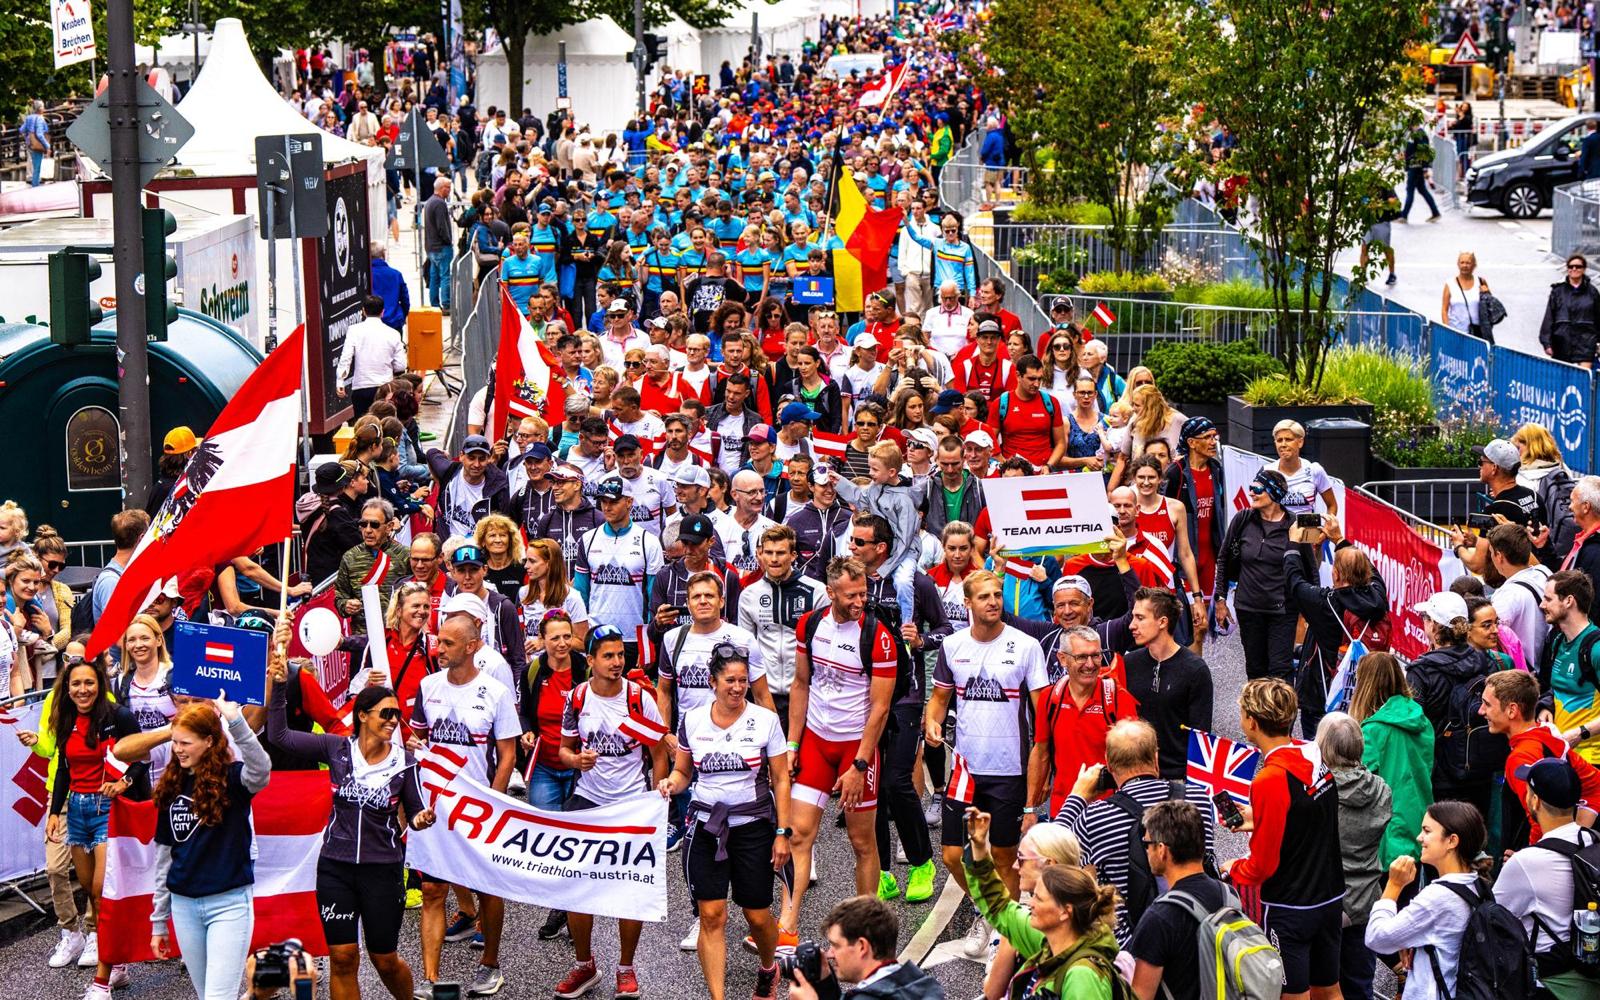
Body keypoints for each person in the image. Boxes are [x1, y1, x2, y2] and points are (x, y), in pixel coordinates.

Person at [266, 660, 432, 1000]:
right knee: (342, 957)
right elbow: (278, 736)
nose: (393, 721)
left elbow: (415, 812)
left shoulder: (405, 762)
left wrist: (421, 820)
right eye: (386, 713)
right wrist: (280, 686)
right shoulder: (336, 748)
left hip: (382, 870)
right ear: (363, 715)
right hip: (335, 868)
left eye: (397, 715)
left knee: (384, 959)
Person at [657, 645, 790, 1000]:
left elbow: (781, 779)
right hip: (706, 827)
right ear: (713, 682)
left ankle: (768, 967)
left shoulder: (765, 720)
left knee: (757, 915)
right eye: (730, 680)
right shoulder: (693, 720)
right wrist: (671, 783)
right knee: (712, 915)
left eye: (743, 680)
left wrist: (782, 833)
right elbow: (683, 772)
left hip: (753, 826)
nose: (738, 687)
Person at [923, 570, 1049, 947]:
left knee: (1003, 855)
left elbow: (1043, 715)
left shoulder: (1026, 646)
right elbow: (939, 699)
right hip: (965, 769)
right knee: (951, 855)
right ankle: (988, 913)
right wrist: (932, 722)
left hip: (1010, 768)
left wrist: (1041, 772)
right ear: (967, 603)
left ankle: (1003, 937)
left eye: (997, 594)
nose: (993, 602)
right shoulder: (953, 646)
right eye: (984, 596)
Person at [783, 558, 899, 950]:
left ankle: (869, 932)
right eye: (851, 595)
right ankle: (787, 925)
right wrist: (793, 744)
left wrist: (860, 765)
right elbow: (801, 684)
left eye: (863, 593)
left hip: (855, 746)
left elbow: (880, 709)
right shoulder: (810, 624)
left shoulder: (877, 635)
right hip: (816, 741)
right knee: (799, 835)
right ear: (830, 592)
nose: (859, 601)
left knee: (862, 842)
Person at [553, 626, 669, 1000]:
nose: (617, 662)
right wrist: (576, 760)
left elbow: (658, 752)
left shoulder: (639, 698)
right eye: (608, 656)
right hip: (588, 800)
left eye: (620, 654)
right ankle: (584, 964)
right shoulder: (578, 698)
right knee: (576, 886)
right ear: (590, 660)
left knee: (629, 888)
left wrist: (658, 799)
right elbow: (563, 750)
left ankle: (626, 967)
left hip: (631, 802)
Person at [409, 614, 520, 998]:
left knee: (488, 888)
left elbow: (508, 755)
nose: (439, 649)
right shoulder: (428, 687)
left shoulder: (496, 692)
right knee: (432, 891)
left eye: (448, 643)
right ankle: (430, 977)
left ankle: (490, 964)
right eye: (439, 641)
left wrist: (493, 803)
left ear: (471, 646)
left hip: (479, 811)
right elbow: (416, 743)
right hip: (435, 810)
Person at [1221, 679, 1344, 1000]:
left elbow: (1262, 866)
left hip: (1290, 906)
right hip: (1330, 895)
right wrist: (1257, 817)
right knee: (1329, 991)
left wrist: (1233, 868)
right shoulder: (1312, 756)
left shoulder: (1269, 779)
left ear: (1251, 721)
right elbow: (1307, 816)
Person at [149, 698, 272, 1000]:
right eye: (175, 742)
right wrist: (159, 921)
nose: (178, 750)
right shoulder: (170, 785)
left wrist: (237, 722)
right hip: (184, 907)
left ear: (209, 741)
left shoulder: (233, 778)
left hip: (229, 904)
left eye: (185, 743)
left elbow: (261, 770)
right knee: (207, 995)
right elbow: (164, 858)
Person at [1053, 718, 1216, 943]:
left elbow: (1047, 854)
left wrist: (1077, 796)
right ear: (1155, 758)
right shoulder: (1198, 800)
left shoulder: (1095, 817)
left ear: (1109, 764)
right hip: (1199, 937)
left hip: (1131, 947)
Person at [44, 654, 143, 997]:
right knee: (92, 893)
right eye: (76, 684)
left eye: (89, 682)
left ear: (100, 685)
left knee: (103, 892)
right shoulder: (66, 716)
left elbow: (141, 760)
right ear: (67, 688)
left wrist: (124, 783)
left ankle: (103, 979)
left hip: (108, 810)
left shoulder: (118, 716)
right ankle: (118, 964)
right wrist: (54, 812)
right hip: (77, 811)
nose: (82, 690)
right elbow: (63, 769)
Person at [963, 808, 1123, 1000]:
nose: (1029, 904)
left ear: (1065, 911)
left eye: (1038, 898)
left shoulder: (1083, 977)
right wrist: (978, 849)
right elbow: (1000, 907)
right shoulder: (1051, 936)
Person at [1494, 756, 1600, 997]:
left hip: (1550, 984)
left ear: (1535, 801)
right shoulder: (1592, 840)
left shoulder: (1526, 862)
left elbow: (1492, 918)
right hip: (1590, 979)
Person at [1363, 801, 1489, 1000]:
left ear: (1452, 841)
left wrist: (1393, 886)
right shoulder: (1476, 883)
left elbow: (1376, 938)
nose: (1419, 837)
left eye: (1427, 831)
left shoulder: (1437, 897)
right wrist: (1412, 939)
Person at [1028, 626, 1141, 819]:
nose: (1090, 664)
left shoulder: (1118, 698)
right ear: (1062, 659)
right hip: (1063, 811)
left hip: (1108, 813)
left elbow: (1135, 760)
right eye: (1081, 657)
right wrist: (1029, 810)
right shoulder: (1050, 698)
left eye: (1095, 656)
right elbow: (1040, 753)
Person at [1480, 669, 1600, 851]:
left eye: (1487, 704)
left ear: (1512, 710)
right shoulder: (1544, 731)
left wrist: (1531, 855)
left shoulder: (1521, 756)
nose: (1481, 711)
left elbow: (1539, 816)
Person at [1408, 590, 1505, 813]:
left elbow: (1414, 724)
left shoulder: (1421, 671)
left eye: (1425, 618)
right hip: (1480, 766)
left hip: (1439, 773)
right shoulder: (1486, 662)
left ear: (1434, 626)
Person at [1316, 713, 1390, 1000]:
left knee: (1321, 985)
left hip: (1326, 900)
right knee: (1359, 984)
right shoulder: (1381, 789)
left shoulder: (1318, 792)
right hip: (1365, 899)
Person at [1126, 801, 1232, 1000]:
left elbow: (1140, 995)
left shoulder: (1159, 917)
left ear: (1162, 850)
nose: (1146, 851)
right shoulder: (1229, 895)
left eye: (1147, 844)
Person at [1349, 652, 1435, 871]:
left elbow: (1357, 786)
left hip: (1387, 832)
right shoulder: (1421, 721)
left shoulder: (1372, 731)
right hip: (1419, 822)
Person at [573, 479, 665, 672]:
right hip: (597, 632)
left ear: (629, 502)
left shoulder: (648, 542)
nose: (607, 507)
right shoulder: (588, 539)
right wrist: (582, 635)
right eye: (603, 501)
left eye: (613, 501)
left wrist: (648, 642)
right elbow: (580, 593)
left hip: (633, 636)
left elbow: (654, 597)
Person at [1121, 588, 1212, 780]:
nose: (1131, 625)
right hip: (1134, 775)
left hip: (1177, 779)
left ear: (1162, 622)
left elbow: (1200, 736)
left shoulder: (1195, 670)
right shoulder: (1129, 663)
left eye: (1140, 618)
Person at [1214, 468, 1293, 680]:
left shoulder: (1293, 525)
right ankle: (1257, 703)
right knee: (1256, 670)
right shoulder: (1243, 519)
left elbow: (1308, 568)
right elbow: (1223, 558)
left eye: (1257, 489)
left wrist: (1311, 610)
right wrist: (1220, 600)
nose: (1251, 493)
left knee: (1280, 670)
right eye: (1251, 488)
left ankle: (1282, 703)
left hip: (1282, 611)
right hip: (1248, 608)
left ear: (1274, 493)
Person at [785, 896, 945, 1000]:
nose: (829, 954)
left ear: (862, 947)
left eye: (836, 945)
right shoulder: (921, 985)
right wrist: (825, 982)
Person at [1538, 569, 1600, 767]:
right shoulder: (1557, 641)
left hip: (1592, 761)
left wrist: (1581, 733)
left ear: (1568, 601)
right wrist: (1546, 705)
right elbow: (1558, 688)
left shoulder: (1596, 649)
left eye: (1548, 599)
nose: (1542, 605)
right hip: (1563, 756)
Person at [337, 295, 408, 416]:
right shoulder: (393, 334)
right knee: (386, 423)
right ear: (382, 312)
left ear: (363, 311)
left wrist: (340, 380)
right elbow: (400, 366)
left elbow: (346, 358)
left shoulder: (354, 331)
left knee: (363, 423)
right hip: (385, 388)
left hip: (361, 387)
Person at [1265, 420, 1338, 516]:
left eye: (1288, 439)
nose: (1283, 444)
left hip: (1307, 525)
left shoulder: (1314, 470)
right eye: (1279, 440)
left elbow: (1332, 505)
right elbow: (1257, 508)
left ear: (1300, 442)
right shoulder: (1267, 472)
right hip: (1277, 525)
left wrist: (1327, 524)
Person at [1540, 255, 1600, 368]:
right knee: (1563, 377)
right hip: (1562, 342)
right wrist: (1546, 342)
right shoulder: (1557, 292)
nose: (1574, 269)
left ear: (1584, 269)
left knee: (1584, 376)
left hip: (1586, 343)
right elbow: (1549, 317)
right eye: (1571, 266)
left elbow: (1598, 317)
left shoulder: (1592, 292)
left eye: (1578, 266)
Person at [1441, 251, 1494, 341]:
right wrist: (1447, 330)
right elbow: (1444, 310)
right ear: (1458, 264)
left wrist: (1487, 292)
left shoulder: (1481, 282)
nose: (1465, 265)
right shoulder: (1450, 284)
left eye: (1468, 263)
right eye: (1462, 262)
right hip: (1455, 332)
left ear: (1474, 265)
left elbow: (1491, 306)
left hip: (1477, 333)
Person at [422, 177, 455, 310]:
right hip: (441, 247)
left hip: (431, 247)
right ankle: (446, 304)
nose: (450, 190)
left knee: (434, 277)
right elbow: (442, 226)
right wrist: (448, 240)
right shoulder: (440, 203)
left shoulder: (430, 201)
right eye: (448, 187)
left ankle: (435, 304)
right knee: (445, 276)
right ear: (442, 188)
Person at [21, 99, 49, 187]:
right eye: (43, 106)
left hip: (29, 143)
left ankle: (32, 180)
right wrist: (47, 145)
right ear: (39, 108)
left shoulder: (29, 117)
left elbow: (21, 130)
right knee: (37, 167)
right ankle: (35, 186)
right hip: (38, 144)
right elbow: (40, 135)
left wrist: (29, 136)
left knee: (31, 162)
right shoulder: (40, 118)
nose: (44, 108)